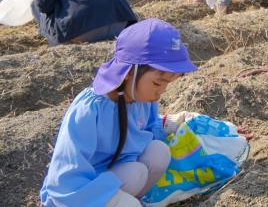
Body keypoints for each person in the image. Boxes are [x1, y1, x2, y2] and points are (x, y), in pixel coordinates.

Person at [40, 19, 198, 207]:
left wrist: (168, 123)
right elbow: (66, 176)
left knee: (158, 152)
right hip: (80, 192)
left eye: (167, 84)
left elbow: (144, 127)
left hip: (112, 174)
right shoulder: (90, 110)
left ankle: (136, 201)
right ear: (129, 72)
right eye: (157, 83)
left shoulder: (140, 99)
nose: (161, 91)